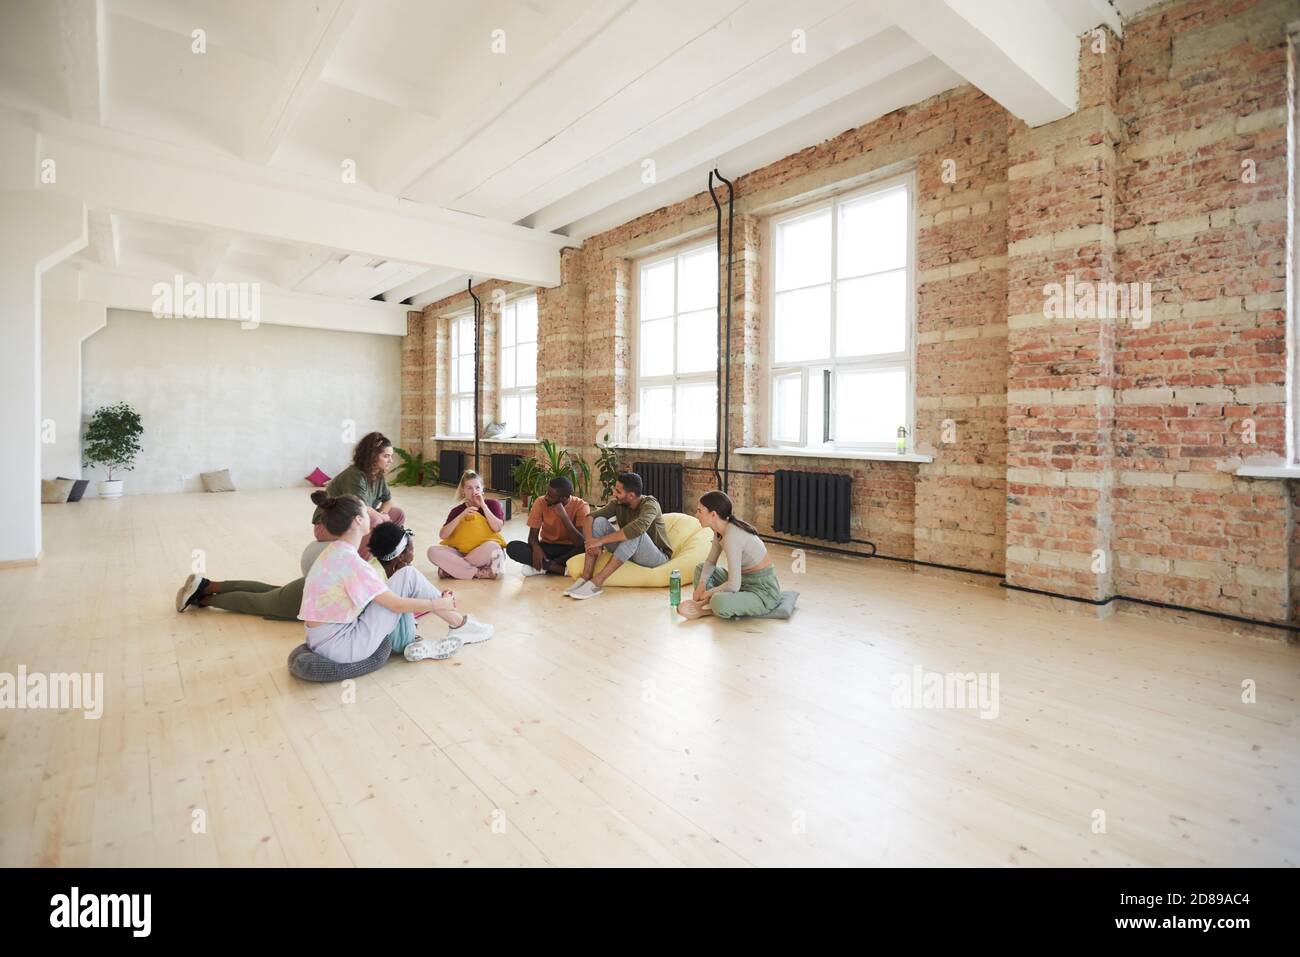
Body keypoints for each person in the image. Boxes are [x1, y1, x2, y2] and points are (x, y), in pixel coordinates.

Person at [299, 491, 492, 664]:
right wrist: (440, 604)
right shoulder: (352, 563)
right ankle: (459, 624)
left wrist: (438, 602)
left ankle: (458, 624)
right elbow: (396, 605)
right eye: (366, 512)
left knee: (407, 576)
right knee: (408, 575)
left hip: (323, 640)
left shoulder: (333, 552)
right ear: (358, 520)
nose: (370, 516)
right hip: (344, 646)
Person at [678, 490, 782, 620]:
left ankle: (711, 607)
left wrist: (707, 593)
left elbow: (733, 584)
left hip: (762, 590)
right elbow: (711, 561)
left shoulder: (732, 536)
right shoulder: (719, 531)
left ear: (713, 514)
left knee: (718, 601)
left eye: (700, 511)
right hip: (743, 580)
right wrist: (702, 585)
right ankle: (710, 604)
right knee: (701, 569)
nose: (696, 515)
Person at [566, 471, 671, 600]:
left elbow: (637, 529)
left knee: (636, 533)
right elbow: (590, 517)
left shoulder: (650, 504)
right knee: (599, 522)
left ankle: (596, 583)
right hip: (628, 550)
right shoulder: (619, 503)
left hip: (656, 556)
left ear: (631, 495)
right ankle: (585, 577)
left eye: (618, 491)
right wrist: (591, 542)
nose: (614, 494)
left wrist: (600, 541)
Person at [311, 431, 404, 560]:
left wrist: (382, 514)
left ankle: (384, 555)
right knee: (375, 521)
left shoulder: (378, 474)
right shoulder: (355, 475)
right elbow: (361, 507)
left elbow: (388, 501)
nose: (390, 460)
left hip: (356, 519)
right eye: (386, 456)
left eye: (391, 456)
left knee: (398, 513)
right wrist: (381, 519)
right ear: (372, 456)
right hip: (328, 526)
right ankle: (360, 562)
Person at [426, 470, 506, 579]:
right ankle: (478, 572)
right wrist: (461, 515)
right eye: (469, 488)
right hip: (462, 554)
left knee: (495, 548)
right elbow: (443, 535)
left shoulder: (492, 504)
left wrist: (483, 506)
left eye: (477, 487)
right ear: (463, 491)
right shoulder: (457, 510)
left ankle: (453, 569)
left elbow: (497, 528)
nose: (474, 491)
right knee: (432, 552)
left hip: (483, 553)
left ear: (482, 489)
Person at [506, 476, 589, 577]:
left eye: (550, 496)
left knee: (587, 547)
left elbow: (580, 543)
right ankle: (560, 569)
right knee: (512, 547)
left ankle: (543, 567)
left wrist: (564, 517)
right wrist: (536, 548)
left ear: (564, 498)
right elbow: (532, 537)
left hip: (570, 550)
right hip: (547, 547)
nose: (546, 497)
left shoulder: (581, 506)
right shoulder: (540, 502)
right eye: (547, 493)